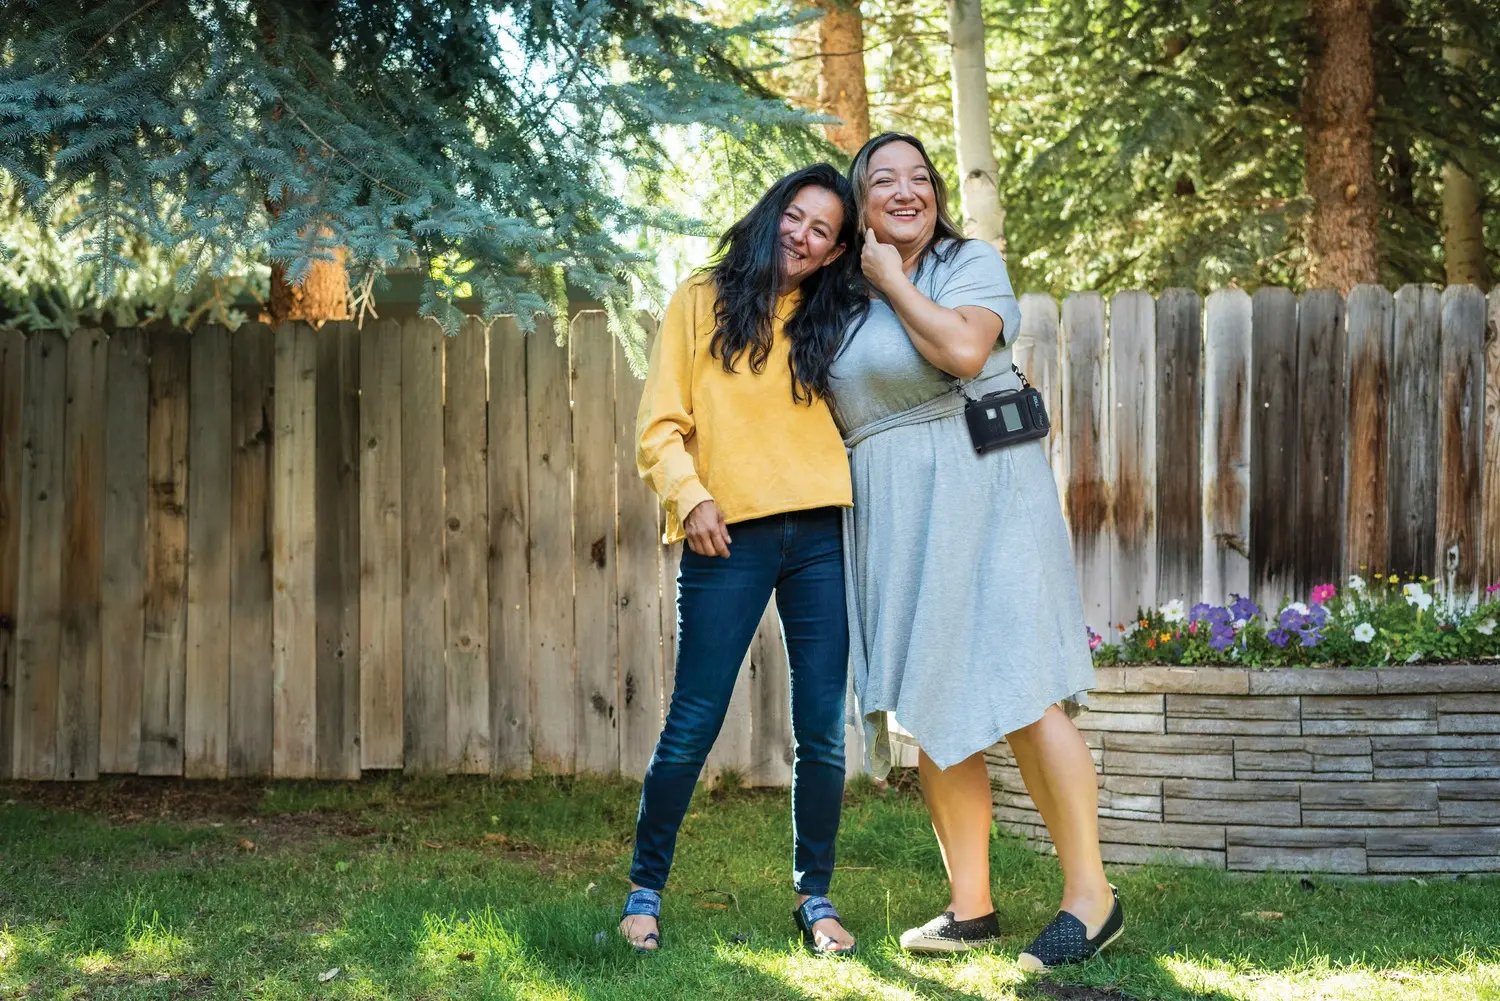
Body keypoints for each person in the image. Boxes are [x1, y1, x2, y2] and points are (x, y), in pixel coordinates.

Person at [829, 132, 1122, 969]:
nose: (906, 189)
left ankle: (1091, 898)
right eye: (883, 179)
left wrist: (891, 279)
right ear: (860, 203)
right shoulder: (840, 295)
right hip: (898, 511)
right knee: (931, 701)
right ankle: (970, 908)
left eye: (920, 177)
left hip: (986, 497)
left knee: (1026, 686)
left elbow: (961, 351)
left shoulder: (967, 263)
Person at [619, 163, 862, 956]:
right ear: (774, 212)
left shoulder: (837, 314)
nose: (802, 235)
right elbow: (659, 422)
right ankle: (644, 891)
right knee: (693, 718)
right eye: (796, 216)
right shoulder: (701, 296)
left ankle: (816, 897)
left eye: (821, 229)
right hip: (727, 535)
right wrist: (691, 497)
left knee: (824, 728)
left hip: (822, 534)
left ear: (833, 251)